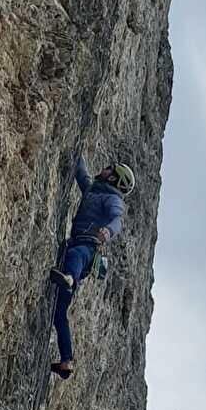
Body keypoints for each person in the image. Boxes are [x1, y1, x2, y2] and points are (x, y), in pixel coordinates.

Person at [49, 154, 136, 379]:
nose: (104, 169)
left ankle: (69, 278)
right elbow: (82, 174)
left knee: (76, 256)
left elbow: (117, 219)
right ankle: (66, 360)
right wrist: (77, 156)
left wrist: (107, 232)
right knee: (59, 312)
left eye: (109, 169)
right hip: (77, 245)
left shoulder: (113, 200)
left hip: (88, 246)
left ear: (115, 179)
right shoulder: (93, 190)